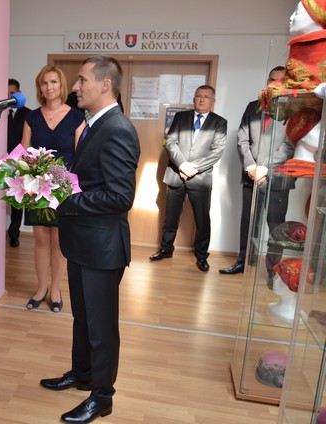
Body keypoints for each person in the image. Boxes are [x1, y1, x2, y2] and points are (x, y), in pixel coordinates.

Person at [40, 55, 140, 423]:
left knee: (101, 328)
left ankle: (102, 397)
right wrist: (52, 178)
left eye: (82, 80)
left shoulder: (118, 128)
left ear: (105, 85)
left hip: (102, 248)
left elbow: (120, 197)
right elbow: (89, 178)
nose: (76, 87)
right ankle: (82, 375)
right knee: (82, 319)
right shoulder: (94, 124)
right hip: (82, 243)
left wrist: (64, 199)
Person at [21, 65, 86, 313]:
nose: (49, 87)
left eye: (53, 82)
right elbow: (24, 154)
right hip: (37, 186)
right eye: (44, 83)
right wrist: (33, 178)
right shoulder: (32, 117)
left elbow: (81, 156)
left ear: (62, 86)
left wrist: (62, 180)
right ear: (39, 87)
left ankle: (56, 290)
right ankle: (41, 288)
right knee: (40, 239)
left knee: (59, 241)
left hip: (64, 188)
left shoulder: (77, 117)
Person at [219, 67, 294, 275]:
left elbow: (290, 145)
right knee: (249, 222)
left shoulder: (294, 110)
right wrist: (251, 166)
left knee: (276, 226)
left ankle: (273, 269)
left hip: (277, 178)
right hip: (251, 175)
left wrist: (265, 167)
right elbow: (242, 138)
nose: (274, 83)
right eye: (271, 79)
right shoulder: (253, 106)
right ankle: (244, 261)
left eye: (280, 80)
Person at [149, 85, 227, 272]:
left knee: (202, 220)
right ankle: (166, 249)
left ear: (213, 101)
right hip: (176, 174)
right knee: (170, 217)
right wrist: (182, 165)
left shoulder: (219, 122)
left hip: (200, 178)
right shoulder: (180, 117)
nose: (202, 99)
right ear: (194, 99)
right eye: (198, 96)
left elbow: (217, 151)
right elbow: (171, 142)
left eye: (206, 96)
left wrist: (193, 168)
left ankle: (202, 255)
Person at [6, 78, 31, 248]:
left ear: (19, 93)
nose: (9, 96)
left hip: (20, 163)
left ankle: (14, 233)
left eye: (12, 93)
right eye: (6, 93)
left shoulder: (29, 114)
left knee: (17, 201)